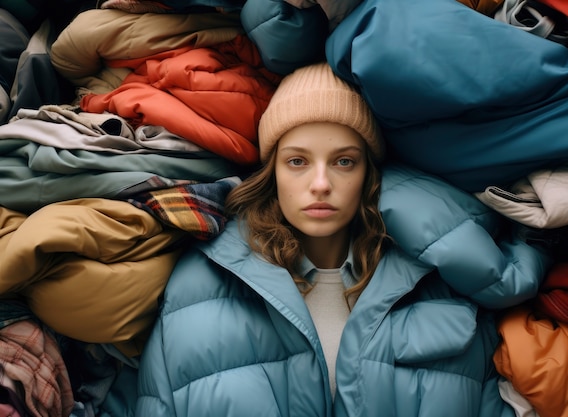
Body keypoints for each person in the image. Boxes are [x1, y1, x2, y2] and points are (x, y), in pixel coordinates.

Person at [134, 62, 515, 417]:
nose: (320, 185)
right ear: (273, 173)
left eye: (343, 161)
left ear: (369, 173)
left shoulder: (440, 286)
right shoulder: (198, 284)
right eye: (297, 161)